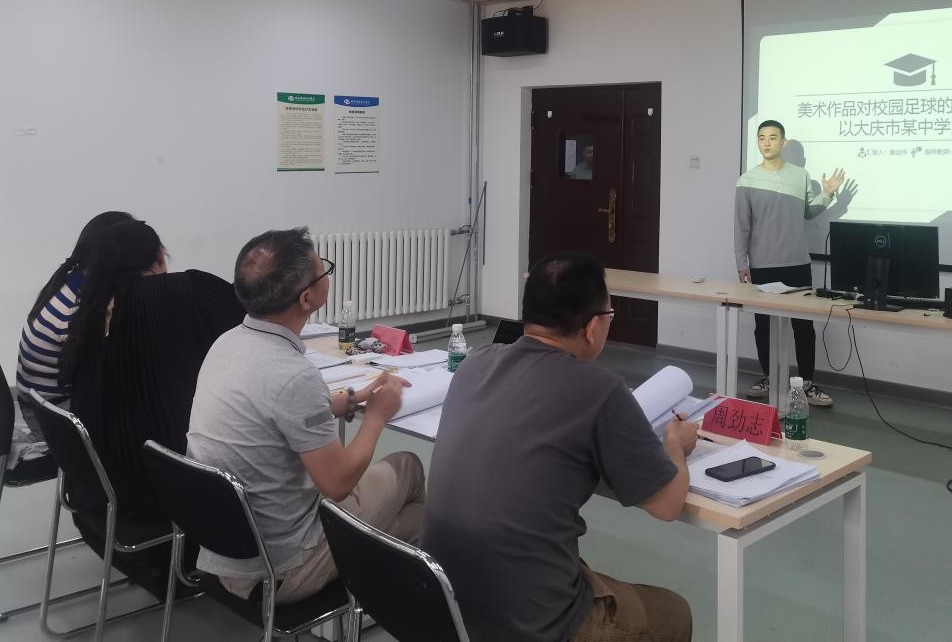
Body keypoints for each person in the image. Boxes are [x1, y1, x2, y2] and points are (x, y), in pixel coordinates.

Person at [422, 252, 696, 642]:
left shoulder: (475, 362)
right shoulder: (600, 389)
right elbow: (668, 504)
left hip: (446, 604)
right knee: (674, 613)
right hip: (533, 626)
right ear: (592, 328)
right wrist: (675, 444)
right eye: (609, 315)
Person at [186, 228, 425, 604]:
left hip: (228, 550)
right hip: (281, 568)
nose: (327, 274)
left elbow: (265, 409)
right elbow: (337, 483)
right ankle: (408, 600)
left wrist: (346, 400)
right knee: (409, 470)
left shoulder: (227, 342)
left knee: (411, 521)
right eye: (322, 269)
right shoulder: (293, 375)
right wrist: (378, 415)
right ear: (307, 297)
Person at [61, 219, 244, 518]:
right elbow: (250, 326)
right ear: (160, 256)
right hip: (162, 489)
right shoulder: (185, 289)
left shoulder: (90, 311)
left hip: (105, 488)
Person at [735, 119, 845, 407]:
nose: (767, 142)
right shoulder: (747, 180)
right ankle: (769, 377)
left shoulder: (800, 175)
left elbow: (809, 212)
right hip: (762, 264)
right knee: (763, 326)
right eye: (762, 137)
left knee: (803, 326)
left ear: (783, 142)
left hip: (797, 263)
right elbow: (742, 225)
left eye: (773, 137)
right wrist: (741, 262)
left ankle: (807, 383)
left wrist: (828, 193)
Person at [16, 210, 133, 405]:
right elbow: (107, 375)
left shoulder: (71, 281)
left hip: (40, 405)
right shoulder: (79, 309)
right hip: (59, 413)